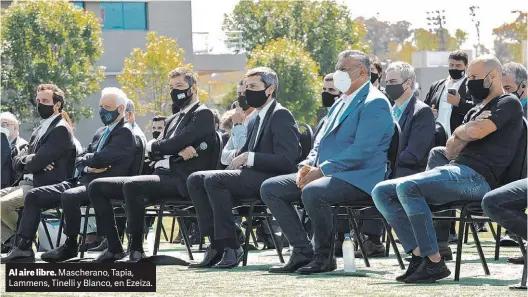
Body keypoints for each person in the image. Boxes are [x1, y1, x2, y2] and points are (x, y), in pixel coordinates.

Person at [372, 54, 524, 283]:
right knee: (381, 191)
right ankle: (419, 255)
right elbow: (451, 149)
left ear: (493, 76)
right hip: (456, 170)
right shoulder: (476, 109)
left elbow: (473, 133)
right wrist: (465, 130)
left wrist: (464, 132)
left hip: (479, 179)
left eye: (474, 77)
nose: (469, 82)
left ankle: (434, 261)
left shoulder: (507, 103)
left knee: (408, 186)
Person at [261, 50, 394, 274]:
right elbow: (320, 142)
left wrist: (322, 170)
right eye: (337, 67)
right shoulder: (341, 102)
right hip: (328, 174)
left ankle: (324, 256)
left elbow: (362, 151)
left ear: (362, 72)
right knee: (271, 188)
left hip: (359, 177)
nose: (337, 73)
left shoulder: (375, 102)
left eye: (343, 69)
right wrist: (308, 164)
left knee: (314, 191)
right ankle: (302, 251)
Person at [88, 67, 216, 263]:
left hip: (182, 181)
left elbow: (173, 143)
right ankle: (114, 247)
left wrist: (164, 148)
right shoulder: (173, 119)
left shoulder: (203, 114)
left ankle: (136, 249)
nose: (175, 91)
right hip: (161, 174)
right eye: (172, 87)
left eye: (180, 86)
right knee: (97, 187)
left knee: (133, 185)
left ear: (194, 87)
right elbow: (156, 150)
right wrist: (162, 148)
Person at [187, 67, 301, 269]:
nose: (248, 92)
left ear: (270, 89)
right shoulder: (256, 117)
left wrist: (250, 157)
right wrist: (240, 156)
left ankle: (231, 246)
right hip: (250, 175)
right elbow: (245, 151)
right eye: (246, 87)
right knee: (196, 178)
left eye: (254, 86)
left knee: (215, 180)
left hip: (271, 177)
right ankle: (215, 244)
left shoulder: (281, 115)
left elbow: (288, 160)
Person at [355, 62, 436, 259]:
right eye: (386, 82)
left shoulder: (421, 112)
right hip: (388, 168)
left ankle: (372, 239)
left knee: (376, 182)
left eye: (392, 82)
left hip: (410, 171)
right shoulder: (388, 111)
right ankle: (343, 237)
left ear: (408, 83)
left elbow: (415, 153)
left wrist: (384, 163)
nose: (387, 86)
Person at [0, 84, 77, 263]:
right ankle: (14, 240)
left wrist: (32, 161)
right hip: (26, 183)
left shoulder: (60, 129)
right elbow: (18, 160)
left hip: (44, 186)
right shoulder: (40, 128)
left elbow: (35, 163)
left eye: (45, 101)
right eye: (38, 100)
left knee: (2, 205)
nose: (40, 104)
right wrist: (31, 161)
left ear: (57, 105)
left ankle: (20, 243)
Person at [424, 50, 474, 138]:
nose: (454, 68)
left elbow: (479, 109)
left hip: (460, 141)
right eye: (451, 65)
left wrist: (460, 103)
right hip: (436, 138)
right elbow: (423, 109)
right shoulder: (436, 86)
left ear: (466, 66)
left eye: (458, 65)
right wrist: (429, 114)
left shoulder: (471, 86)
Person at [220, 79, 256, 166]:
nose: (241, 97)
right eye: (239, 94)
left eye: (245, 93)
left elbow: (245, 151)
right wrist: (237, 154)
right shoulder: (241, 120)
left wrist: (237, 124)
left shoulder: (258, 119)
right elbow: (223, 157)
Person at [0, 112, 28, 189]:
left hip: (10, 188)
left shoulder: (23, 146)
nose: (1, 127)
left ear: (15, 127)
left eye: (4, 124)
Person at [314, 73, 341, 138]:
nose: (326, 93)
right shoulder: (323, 121)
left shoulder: (347, 121)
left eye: (331, 90)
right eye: (324, 89)